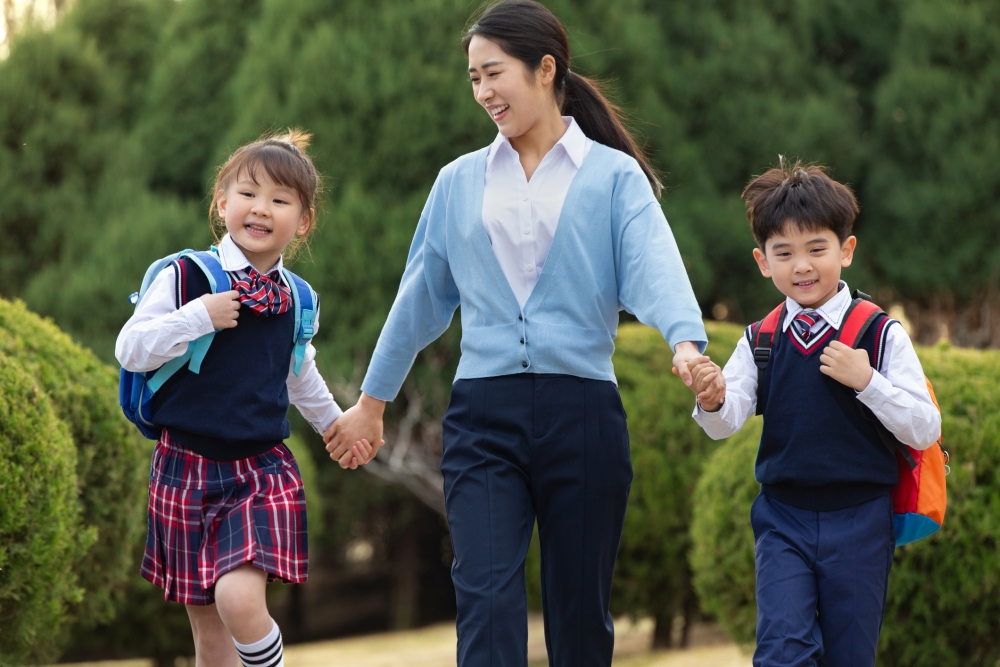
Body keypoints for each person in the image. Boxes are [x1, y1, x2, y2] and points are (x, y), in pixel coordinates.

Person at [323, 1, 707, 664]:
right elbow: (418, 298)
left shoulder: (614, 178)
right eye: (473, 78)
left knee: (578, 612)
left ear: (545, 69)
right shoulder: (457, 182)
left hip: (582, 413)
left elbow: (654, 268)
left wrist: (685, 342)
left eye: (493, 73)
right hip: (483, 417)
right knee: (486, 601)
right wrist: (373, 402)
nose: (482, 92)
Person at [116, 130, 369, 667]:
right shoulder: (185, 276)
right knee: (209, 636)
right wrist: (197, 316)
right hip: (183, 470)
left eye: (280, 200)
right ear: (222, 202)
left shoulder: (298, 298)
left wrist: (335, 425)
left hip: (259, 470)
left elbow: (298, 374)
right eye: (249, 194)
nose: (261, 209)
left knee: (238, 599)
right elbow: (130, 349)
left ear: (302, 221)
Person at [688, 160, 941, 667]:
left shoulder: (879, 332)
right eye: (784, 253)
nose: (801, 266)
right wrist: (712, 399)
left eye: (816, 249)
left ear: (846, 251)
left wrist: (868, 381)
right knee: (783, 653)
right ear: (763, 261)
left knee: (849, 657)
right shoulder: (760, 338)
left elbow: (925, 426)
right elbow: (728, 418)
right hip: (783, 519)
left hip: (862, 520)